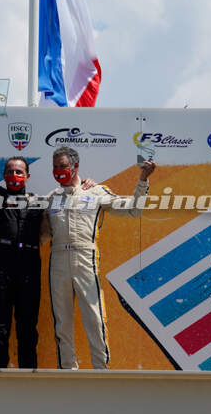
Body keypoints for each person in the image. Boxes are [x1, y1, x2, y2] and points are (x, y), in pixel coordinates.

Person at [0, 110, 95, 368]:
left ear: (28, 176)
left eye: (19, 172)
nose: (14, 175)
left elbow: (67, 203)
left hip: (29, 266)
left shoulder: (41, 202)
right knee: (0, 327)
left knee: (28, 327)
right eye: (9, 171)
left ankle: (29, 379)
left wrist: (86, 184)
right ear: (4, 175)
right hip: (1, 266)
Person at [46, 146, 156, 369]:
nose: (58, 171)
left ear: (75, 166)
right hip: (57, 259)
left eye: (63, 166)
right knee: (61, 320)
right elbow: (39, 232)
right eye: (55, 167)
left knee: (94, 316)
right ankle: (67, 369)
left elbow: (133, 209)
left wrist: (143, 180)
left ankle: (100, 369)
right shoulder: (51, 198)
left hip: (85, 257)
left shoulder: (96, 192)